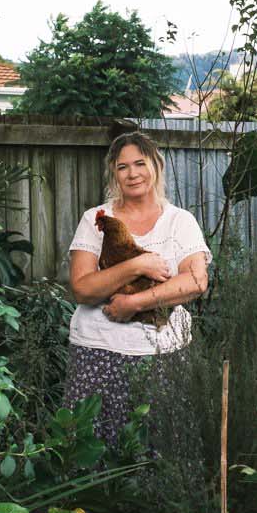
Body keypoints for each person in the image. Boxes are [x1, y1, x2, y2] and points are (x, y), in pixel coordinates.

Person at [63, 130, 210, 447]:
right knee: (89, 445)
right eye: (122, 167)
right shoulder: (96, 218)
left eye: (139, 163)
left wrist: (135, 303)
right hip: (96, 350)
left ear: (155, 165)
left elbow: (196, 280)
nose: (132, 174)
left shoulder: (179, 222)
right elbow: (83, 289)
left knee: (156, 447)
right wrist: (136, 266)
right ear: (114, 173)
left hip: (160, 353)